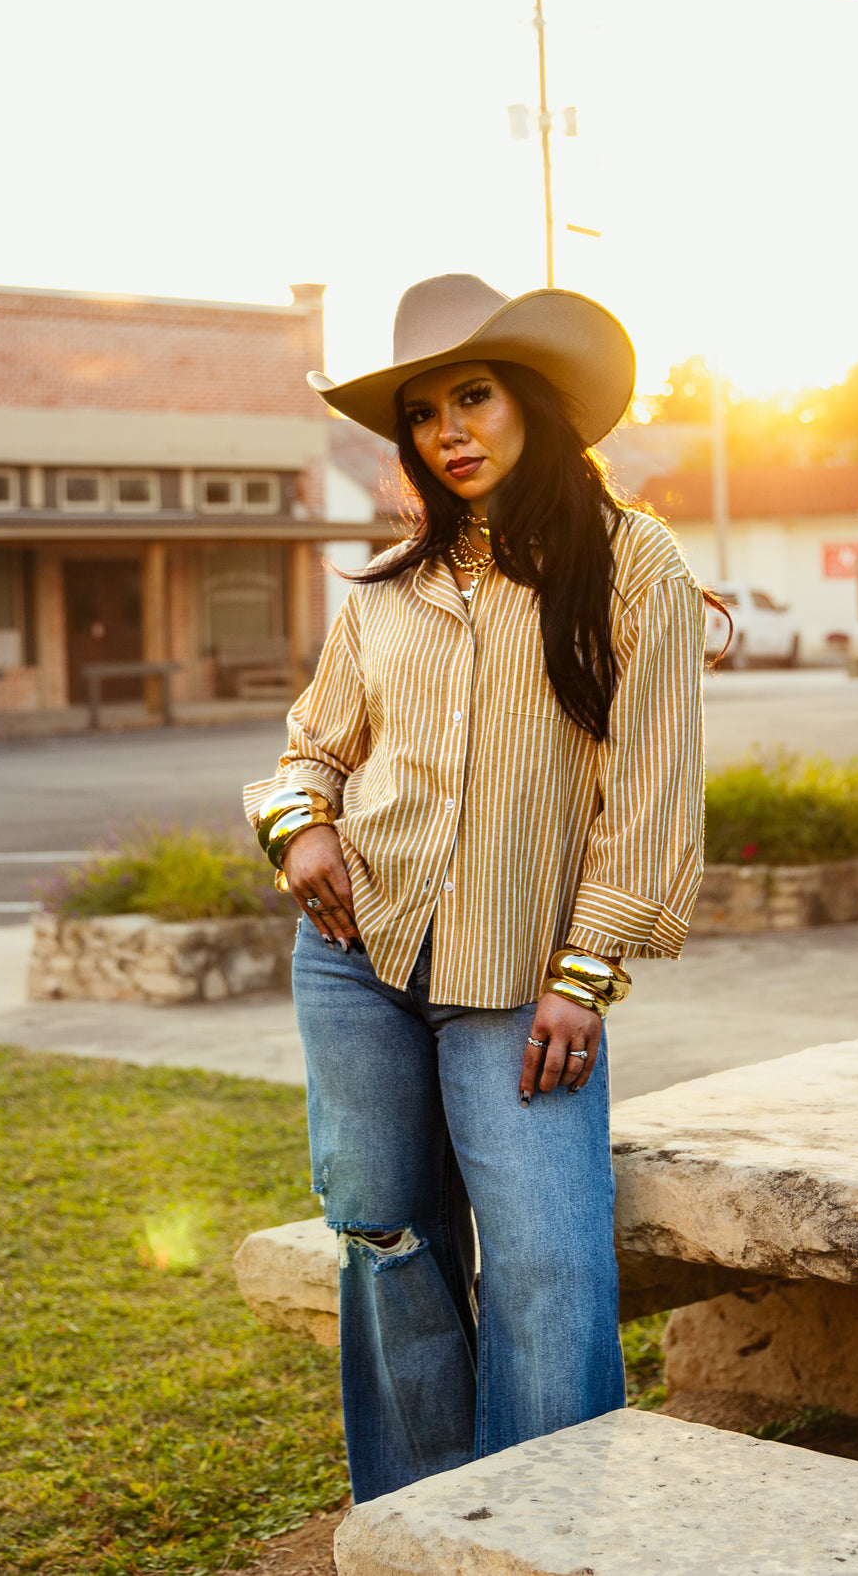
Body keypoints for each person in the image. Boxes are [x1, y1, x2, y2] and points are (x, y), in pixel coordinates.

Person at [244, 273, 715, 1504]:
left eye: (473, 396)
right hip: (355, 962)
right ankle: (422, 1514)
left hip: (525, 981)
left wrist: (585, 973)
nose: (447, 430)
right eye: (422, 413)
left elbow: (652, 796)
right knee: (385, 1239)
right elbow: (312, 749)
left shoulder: (630, 565)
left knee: (549, 1262)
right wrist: (299, 831)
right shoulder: (392, 589)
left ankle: (545, 1530)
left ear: (532, 403)